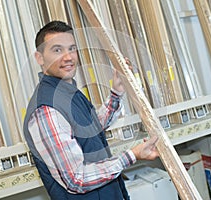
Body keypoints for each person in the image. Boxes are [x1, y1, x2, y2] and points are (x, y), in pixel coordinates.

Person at [23, 20, 159, 200]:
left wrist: (117, 91)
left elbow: (91, 128)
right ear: (39, 58)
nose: (68, 57)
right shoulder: (46, 110)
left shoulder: (67, 92)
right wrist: (132, 155)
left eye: (71, 48)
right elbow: (76, 179)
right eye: (57, 50)